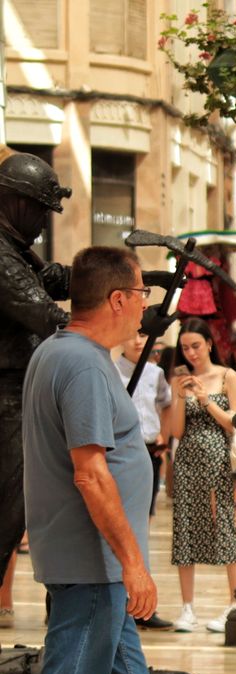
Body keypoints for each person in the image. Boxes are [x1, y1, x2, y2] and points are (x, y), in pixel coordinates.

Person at [14, 246, 156, 674]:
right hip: (91, 563)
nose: (147, 304)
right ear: (118, 298)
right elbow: (91, 472)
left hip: (96, 563)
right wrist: (133, 563)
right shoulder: (78, 363)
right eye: (142, 293)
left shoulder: (69, 355)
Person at [0, 152, 72, 579]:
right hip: (6, 397)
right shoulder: (2, 256)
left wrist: (125, 281)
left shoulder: (15, 249)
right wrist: (118, 322)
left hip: (18, 392)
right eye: (42, 211)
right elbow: (47, 314)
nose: (45, 223)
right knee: (8, 511)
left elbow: (54, 280)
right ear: (17, 203)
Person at [165, 318, 236, 634]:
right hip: (188, 460)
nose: (191, 353)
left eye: (196, 346)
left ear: (209, 344)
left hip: (220, 460)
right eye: (185, 348)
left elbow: (235, 422)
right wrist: (180, 396)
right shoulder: (180, 379)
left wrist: (204, 399)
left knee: (225, 525)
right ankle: (187, 607)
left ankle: (235, 602)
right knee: (186, 527)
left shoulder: (227, 376)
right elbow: (176, 431)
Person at [115, 332, 174, 631]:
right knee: (116, 525)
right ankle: (120, 601)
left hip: (149, 452)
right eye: (132, 336)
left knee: (142, 526)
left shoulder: (156, 373)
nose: (138, 341)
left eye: (143, 335)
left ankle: (141, 605)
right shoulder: (110, 371)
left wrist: (164, 437)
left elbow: (166, 404)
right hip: (119, 454)